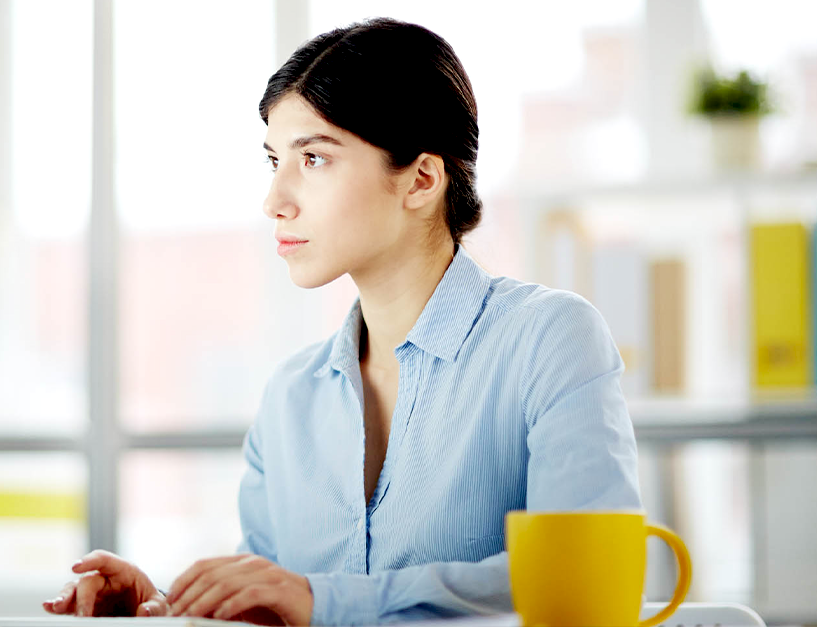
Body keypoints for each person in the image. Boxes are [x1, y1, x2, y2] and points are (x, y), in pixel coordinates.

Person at [43, 17, 641, 626]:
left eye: (314, 158)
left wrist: (322, 600)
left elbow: (586, 585)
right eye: (275, 160)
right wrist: (170, 607)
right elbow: (273, 603)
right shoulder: (290, 396)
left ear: (421, 179)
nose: (275, 200)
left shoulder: (549, 339)